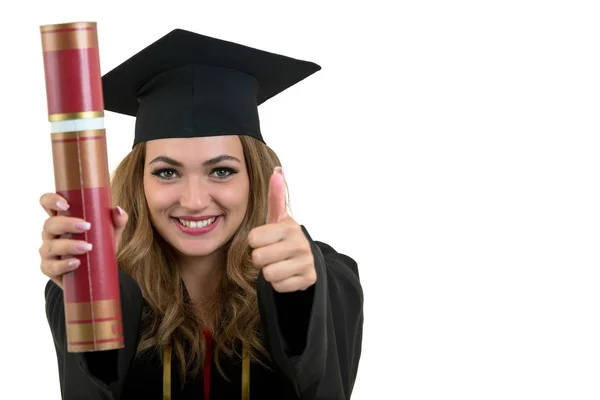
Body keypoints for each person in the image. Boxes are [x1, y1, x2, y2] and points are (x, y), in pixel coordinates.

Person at [39, 28, 364, 400]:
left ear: (254, 179)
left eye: (221, 170)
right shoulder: (101, 284)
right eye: (167, 172)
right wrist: (95, 290)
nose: (194, 201)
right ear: (138, 182)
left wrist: (300, 296)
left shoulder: (322, 275)